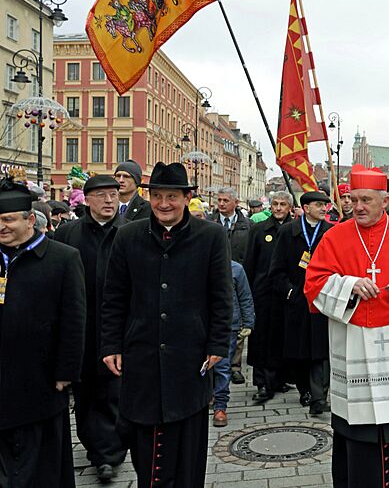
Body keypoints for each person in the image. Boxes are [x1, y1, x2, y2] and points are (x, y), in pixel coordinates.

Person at [304, 165, 389, 488]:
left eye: (366, 200)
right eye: (353, 200)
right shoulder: (334, 237)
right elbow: (313, 285)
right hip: (350, 343)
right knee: (355, 425)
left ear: (385, 200)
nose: (358, 207)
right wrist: (348, 286)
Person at [100, 162, 233, 487]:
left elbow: (221, 296)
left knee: (187, 446)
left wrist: (217, 344)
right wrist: (111, 345)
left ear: (186, 197)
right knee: (146, 450)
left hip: (190, 356)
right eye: (157, 196)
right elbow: (114, 296)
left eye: (171, 196)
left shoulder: (210, 236)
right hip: (142, 356)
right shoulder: (128, 235)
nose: (163, 204)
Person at [0, 178, 86, 488]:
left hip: (42, 379)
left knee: (40, 465)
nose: (2, 227)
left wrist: (67, 370)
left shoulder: (62, 258)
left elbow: (75, 319)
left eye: (8, 219)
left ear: (29, 220)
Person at [53, 175, 127, 482]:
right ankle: (94, 445)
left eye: (114, 195)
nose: (109, 201)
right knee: (85, 394)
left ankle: (109, 453)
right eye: (102, 196)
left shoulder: (129, 232)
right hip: (80, 326)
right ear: (87, 200)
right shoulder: (68, 233)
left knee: (113, 391)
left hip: (118, 327)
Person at [270, 190, 334, 415]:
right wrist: (289, 292)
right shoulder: (289, 232)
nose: (324, 209)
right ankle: (304, 388)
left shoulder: (331, 232)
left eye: (325, 205)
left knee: (320, 349)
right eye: (319, 205)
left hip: (322, 298)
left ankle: (319, 396)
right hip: (296, 300)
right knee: (298, 350)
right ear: (306, 208)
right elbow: (276, 269)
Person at [244, 191, 294, 403]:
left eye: (283, 204)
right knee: (261, 338)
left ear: (290, 207)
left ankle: (279, 378)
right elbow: (250, 263)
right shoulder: (258, 230)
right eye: (275, 204)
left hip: (286, 293)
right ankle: (262, 383)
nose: (279, 208)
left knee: (282, 337)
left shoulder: (295, 230)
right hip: (262, 292)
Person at [210, 186, 253, 385]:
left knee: (237, 327)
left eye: (225, 200)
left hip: (239, 274)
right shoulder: (209, 223)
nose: (221, 204)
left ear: (235, 202)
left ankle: (235, 366)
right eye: (219, 200)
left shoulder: (247, 225)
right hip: (215, 273)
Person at [212, 260, 254, 427]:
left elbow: (245, 297)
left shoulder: (236, 269)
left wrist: (248, 322)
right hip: (202, 324)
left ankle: (220, 407)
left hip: (228, 324)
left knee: (222, 366)